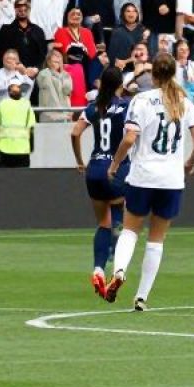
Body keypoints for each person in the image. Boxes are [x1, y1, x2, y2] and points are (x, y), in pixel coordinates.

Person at [103, 53, 194, 311]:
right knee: (156, 240)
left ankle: (119, 271)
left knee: (130, 231)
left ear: (153, 75)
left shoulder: (141, 100)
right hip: (171, 179)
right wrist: (190, 163)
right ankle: (141, 297)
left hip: (143, 176)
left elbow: (129, 139)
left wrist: (114, 165)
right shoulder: (184, 101)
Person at [71, 66, 130, 298]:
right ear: (120, 84)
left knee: (103, 224)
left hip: (94, 169)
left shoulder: (94, 106)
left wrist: (79, 161)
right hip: (115, 168)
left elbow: (75, 132)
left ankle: (98, 269)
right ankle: (117, 268)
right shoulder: (125, 106)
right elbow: (132, 135)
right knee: (120, 216)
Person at [0, 78, 36, 168]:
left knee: (4, 176)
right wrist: (31, 146)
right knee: (23, 176)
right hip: (23, 149)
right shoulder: (27, 105)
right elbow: (31, 128)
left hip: (5, 148)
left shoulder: (1, 104)